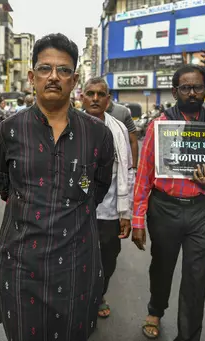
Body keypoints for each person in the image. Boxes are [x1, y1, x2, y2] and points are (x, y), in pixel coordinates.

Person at [0, 33, 115, 341]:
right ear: (32, 77)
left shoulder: (98, 135)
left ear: (74, 80)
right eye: (45, 69)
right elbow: (3, 183)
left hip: (77, 267)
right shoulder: (8, 131)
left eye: (63, 71)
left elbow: (97, 189)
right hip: (20, 266)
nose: (54, 77)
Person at [132, 65, 205, 340]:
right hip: (164, 209)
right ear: (175, 92)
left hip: (200, 213)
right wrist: (138, 220)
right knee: (161, 266)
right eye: (185, 88)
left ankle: (188, 336)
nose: (192, 93)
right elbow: (143, 176)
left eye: (198, 87)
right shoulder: (158, 127)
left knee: (196, 279)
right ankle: (155, 310)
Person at [81, 77, 133, 319]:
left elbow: (127, 171)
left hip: (109, 210)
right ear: (81, 97)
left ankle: (99, 293)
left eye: (100, 94)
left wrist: (126, 212)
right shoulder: (69, 125)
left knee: (108, 258)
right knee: (76, 258)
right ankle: (79, 297)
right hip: (75, 209)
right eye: (90, 93)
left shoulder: (119, 129)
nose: (95, 98)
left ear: (108, 99)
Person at [106, 101, 139, 168]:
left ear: (108, 97)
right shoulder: (86, 113)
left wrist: (134, 167)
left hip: (119, 166)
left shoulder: (122, 112)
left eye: (100, 94)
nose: (95, 98)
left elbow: (133, 141)